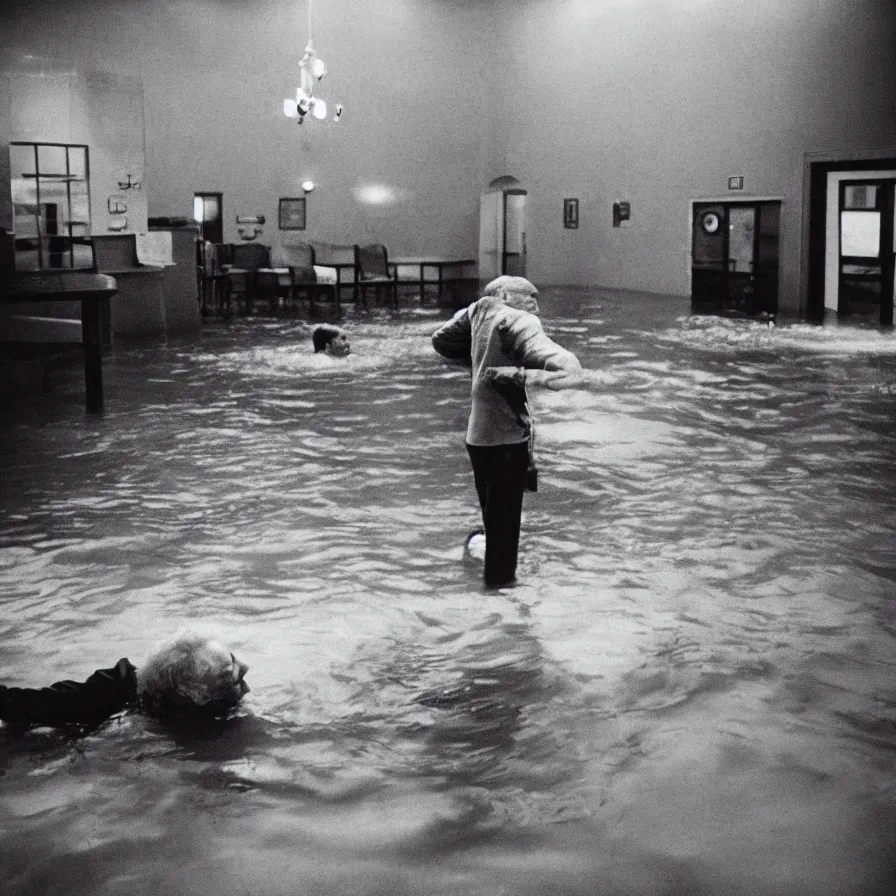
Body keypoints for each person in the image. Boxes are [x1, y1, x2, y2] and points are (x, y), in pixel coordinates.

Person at [432, 275, 582, 588]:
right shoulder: (518, 319)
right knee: (505, 538)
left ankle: (486, 560)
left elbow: (441, 340)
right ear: (504, 294)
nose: (536, 307)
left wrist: (481, 357)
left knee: (495, 520)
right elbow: (568, 369)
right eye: (531, 296)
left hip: (479, 438)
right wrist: (521, 374)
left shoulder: (477, 315)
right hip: (508, 440)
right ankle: (504, 613)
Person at [0, 631, 249, 728]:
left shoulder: (213, 702)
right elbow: (28, 703)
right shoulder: (110, 694)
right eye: (230, 675)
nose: (244, 671)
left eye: (234, 659)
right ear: (197, 693)